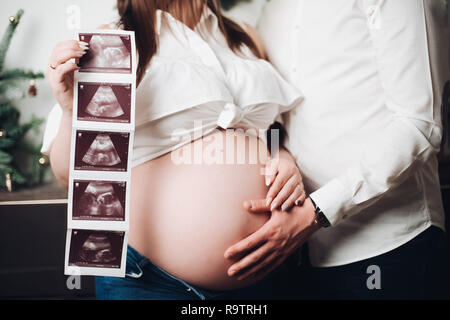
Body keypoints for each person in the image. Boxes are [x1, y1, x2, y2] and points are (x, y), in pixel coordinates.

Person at [42, 0, 308, 300]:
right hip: (152, 284)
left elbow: (272, 130)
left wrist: (282, 158)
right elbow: (67, 175)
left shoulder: (245, 37)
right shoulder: (111, 44)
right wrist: (69, 111)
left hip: (267, 273)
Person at [224, 0, 449, 299]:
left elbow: (419, 125)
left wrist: (314, 214)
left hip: (390, 245)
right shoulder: (273, 8)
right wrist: (281, 153)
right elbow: (277, 116)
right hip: (302, 257)